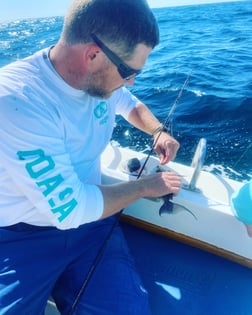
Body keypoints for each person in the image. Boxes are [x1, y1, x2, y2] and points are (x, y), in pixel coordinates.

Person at [0, 0, 181, 314]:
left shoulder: (99, 80)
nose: (131, 81)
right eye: (128, 71)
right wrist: (144, 187)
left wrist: (157, 130)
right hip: (20, 238)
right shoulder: (16, 101)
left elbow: (129, 103)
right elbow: (70, 210)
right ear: (93, 54)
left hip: (92, 225)